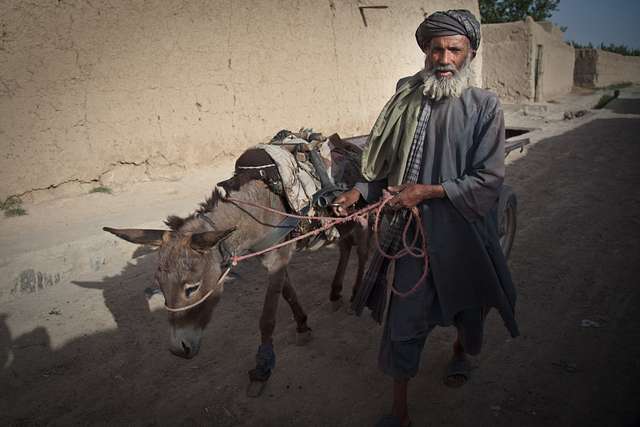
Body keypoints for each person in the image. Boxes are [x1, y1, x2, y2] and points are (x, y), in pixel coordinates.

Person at [332, 9, 519, 427]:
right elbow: (384, 162)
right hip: (410, 235)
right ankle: (400, 412)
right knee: (404, 319)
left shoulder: (485, 106)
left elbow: (488, 179)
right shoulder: (405, 94)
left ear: (469, 52)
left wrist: (430, 192)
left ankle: (459, 353)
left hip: (462, 231)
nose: (444, 58)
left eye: (455, 49)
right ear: (426, 51)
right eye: (436, 49)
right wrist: (360, 191)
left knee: (469, 306)